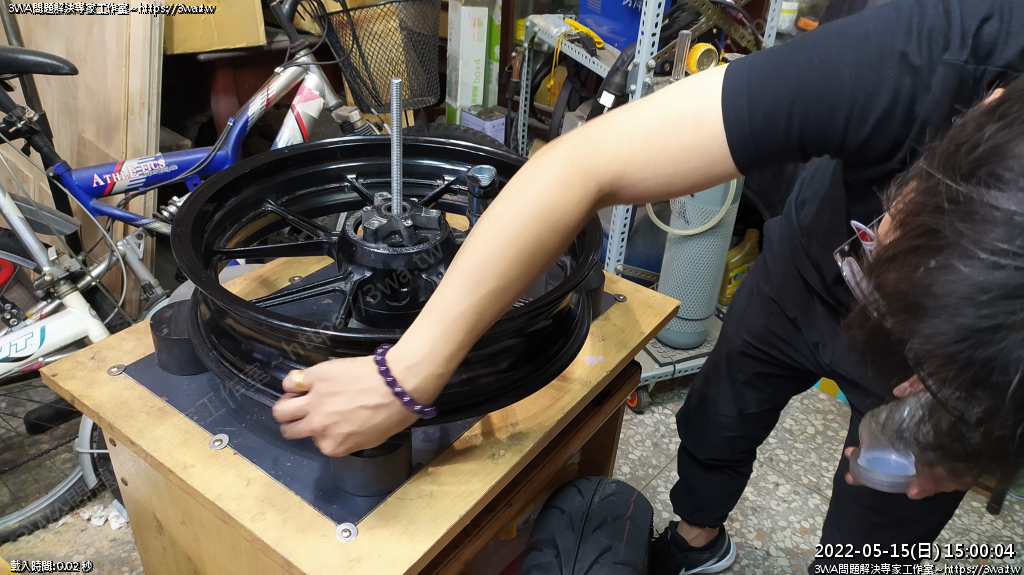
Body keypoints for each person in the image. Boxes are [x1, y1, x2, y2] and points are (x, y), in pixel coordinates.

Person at [271, 0, 1024, 571]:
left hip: (957, 385)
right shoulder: (922, 52)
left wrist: (968, 439)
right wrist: (405, 375)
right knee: (720, 414)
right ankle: (697, 542)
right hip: (803, 276)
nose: (884, 241)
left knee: (877, 540)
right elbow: (579, 164)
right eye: (902, 225)